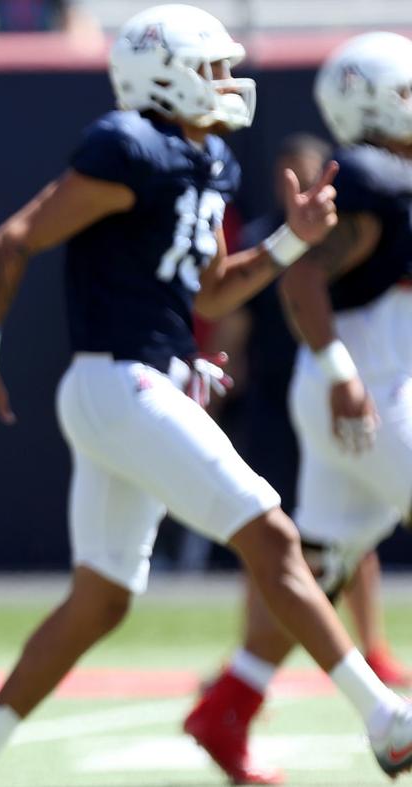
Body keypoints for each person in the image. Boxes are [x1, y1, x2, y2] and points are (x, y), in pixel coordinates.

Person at [0, 6, 412, 786]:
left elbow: (214, 287)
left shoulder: (210, 160)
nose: (225, 83)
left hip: (138, 387)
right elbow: (16, 239)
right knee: (275, 538)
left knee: (101, 600)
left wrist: (291, 241)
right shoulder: (127, 146)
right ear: (162, 72)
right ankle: (386, 718)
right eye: (211, 68)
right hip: (118, 380)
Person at [187, 31, 412, 784]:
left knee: (316, 565)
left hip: (358, 390)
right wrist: (343, 369)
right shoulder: (375, 178)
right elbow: (301, 279)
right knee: (317, 564)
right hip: (367, 392)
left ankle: (230, 703)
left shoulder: (387, 174)